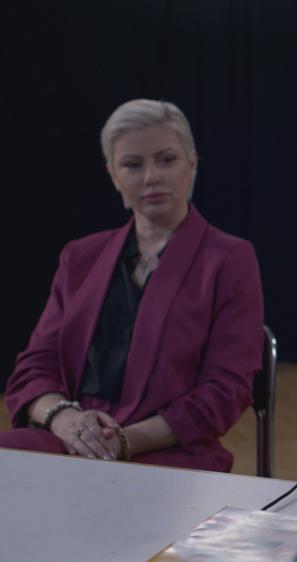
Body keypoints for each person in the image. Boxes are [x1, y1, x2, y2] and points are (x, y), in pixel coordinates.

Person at [1, 99, 264, 471]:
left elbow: (225, 391)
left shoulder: (230, 259)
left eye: (166, 159)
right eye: (132, 164)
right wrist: (67, 422)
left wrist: (121, 441)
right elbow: (35, 367)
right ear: (113, 174)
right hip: (70, 437)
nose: (151, 177)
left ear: (192, 163)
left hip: (167, 449)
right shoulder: (80, 257)